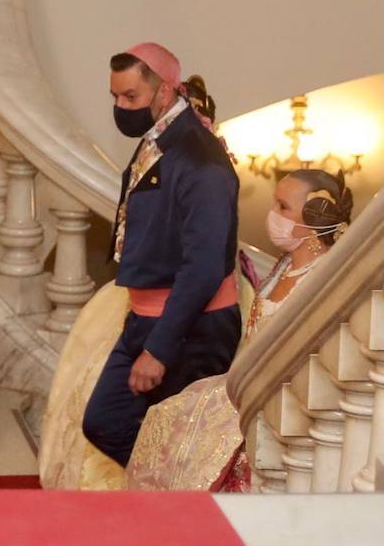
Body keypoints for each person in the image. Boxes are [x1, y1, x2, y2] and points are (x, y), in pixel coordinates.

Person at [121, 170, 356, 491]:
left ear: (314, 218)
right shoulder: (285, 266)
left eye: (283, 207)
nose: (273, 215)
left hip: (283, 396)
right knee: (165, 418)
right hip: (250, 382)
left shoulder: (323, 279)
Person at [71, 46, 243, 470]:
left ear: (164, 92)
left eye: (130, 97)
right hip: (145, 318)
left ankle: (176, 511)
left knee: (182, 446)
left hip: (191, 329)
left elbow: (203, 269)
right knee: (105, 421)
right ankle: (163, 495)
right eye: (114, 97)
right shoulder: (160, 137)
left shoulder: (202, 161)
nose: (120, 108)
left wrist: (160, 350)